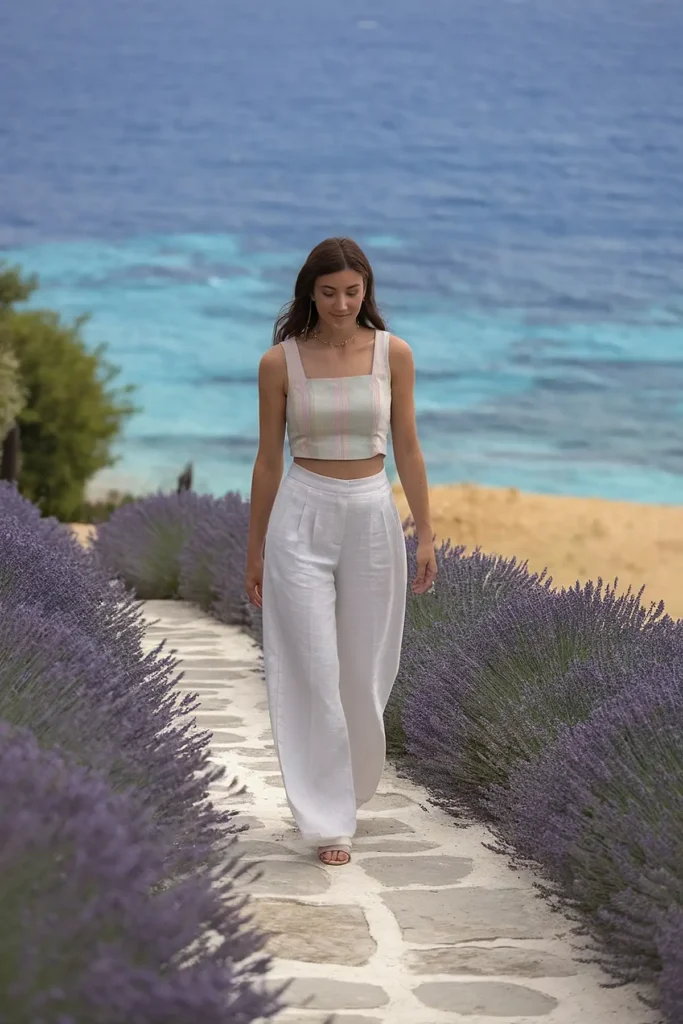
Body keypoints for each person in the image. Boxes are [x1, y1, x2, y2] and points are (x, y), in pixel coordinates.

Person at [245, 237, 437, 867]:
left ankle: (347, 786)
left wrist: (426, 531)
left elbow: (407, 447)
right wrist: (255, 550)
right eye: (328, 292)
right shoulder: (281, 362)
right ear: (310, 292)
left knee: (364, 669)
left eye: (352, 292)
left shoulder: (393, 353)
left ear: (366, 291)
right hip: (301, 515)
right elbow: (268, 460)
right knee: (312, 667)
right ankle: (328, 820)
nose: (341, 303)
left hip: (373, 517)